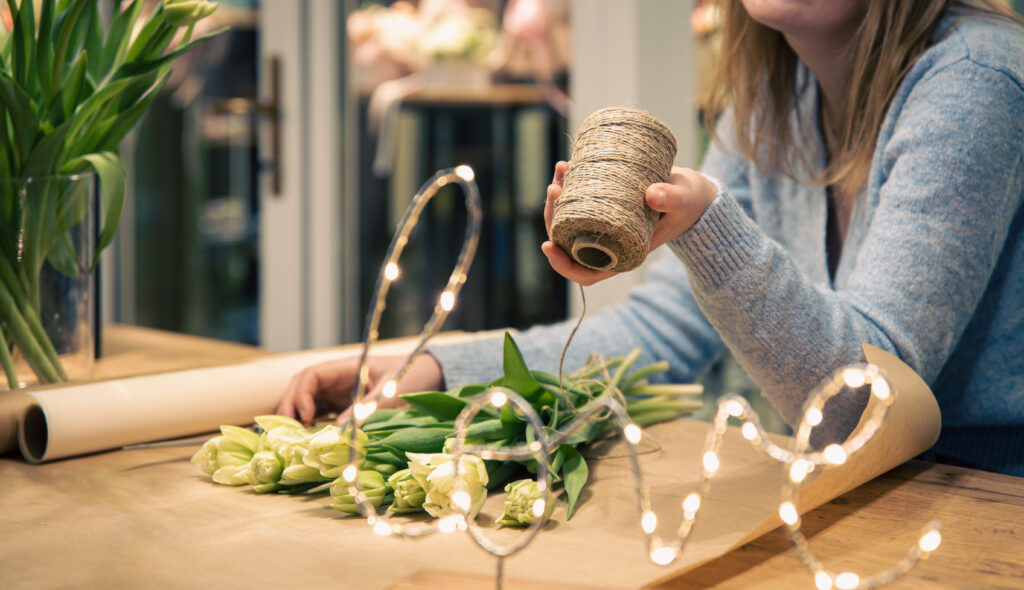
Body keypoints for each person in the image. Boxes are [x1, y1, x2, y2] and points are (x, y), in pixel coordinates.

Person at [278, 0, 1024, 476]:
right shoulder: (776, 99)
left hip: (983, 506)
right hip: (862, 497)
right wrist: (436, 371)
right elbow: (662, 332)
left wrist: (706, 228)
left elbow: (864, 408)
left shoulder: (975, 80)